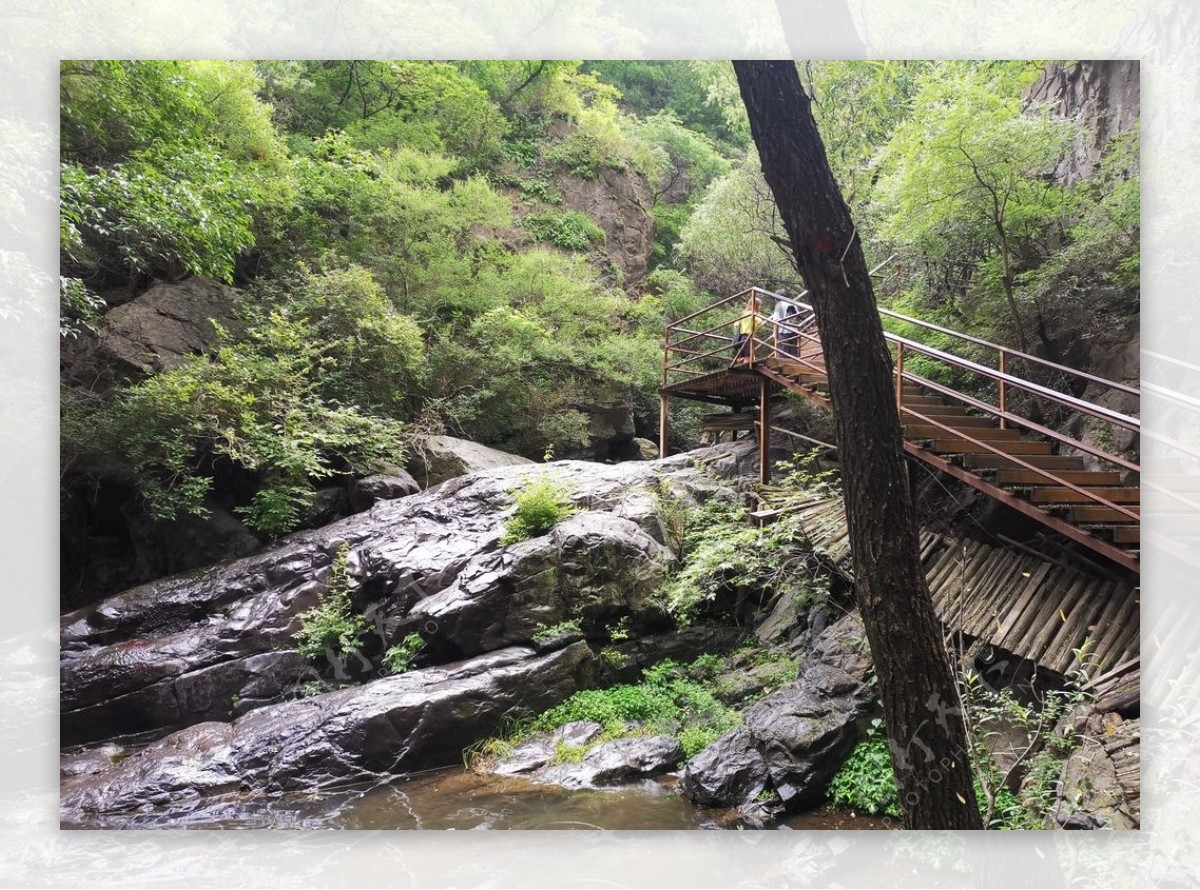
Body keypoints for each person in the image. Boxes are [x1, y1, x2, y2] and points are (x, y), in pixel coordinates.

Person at [731, 294, 759, 364]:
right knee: (748, 356)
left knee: (742, 355)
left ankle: (740, 364)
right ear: (756, 305)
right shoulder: (753, 314)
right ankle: (747, 367)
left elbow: (735, 324)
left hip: (741, 337)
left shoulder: (744, 314)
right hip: (748, 337)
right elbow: (759, 322)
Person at [771, 291, 797, 357]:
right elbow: (797, 316)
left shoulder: (779, 305)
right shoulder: (792, 303)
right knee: (794, 352)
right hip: (794, 330)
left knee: (784, 351)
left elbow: (776, 320)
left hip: (783, 331)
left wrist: (774, 333)